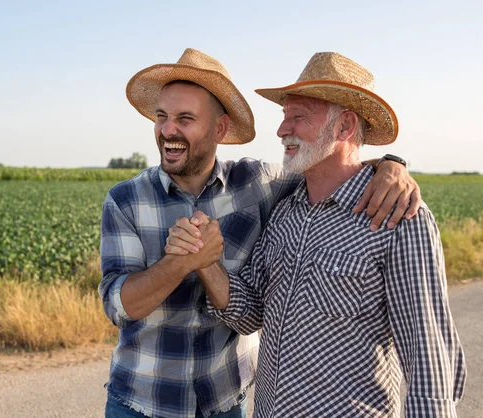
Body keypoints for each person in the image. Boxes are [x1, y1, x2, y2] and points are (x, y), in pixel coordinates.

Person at [100, 48, 421, 418]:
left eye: (185, 119)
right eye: (162, 117)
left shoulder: (258, 185)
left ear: (219, 129)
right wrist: (181, 263)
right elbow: (120, 307)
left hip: (226, 401)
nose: (168, 130)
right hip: (142, 402)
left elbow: (330, 166)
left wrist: (389, 166)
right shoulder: (125, 200)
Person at [166, 52, 467, 417]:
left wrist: (392, 165)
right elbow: (253, 314)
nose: (281, 130)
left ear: (344, 127)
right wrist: (205, 262)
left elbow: (430, 362)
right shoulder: (285, 212)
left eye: (299, 117)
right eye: (284, 116)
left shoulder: (399, 219)